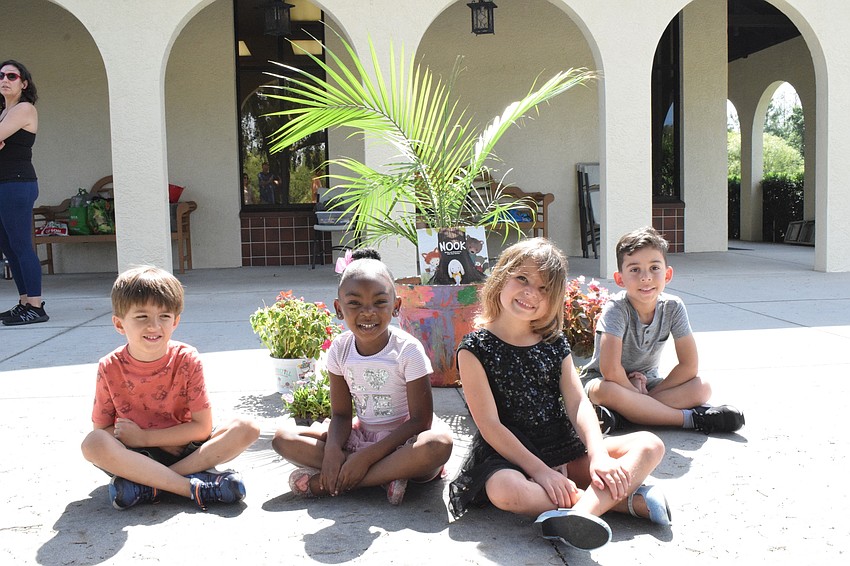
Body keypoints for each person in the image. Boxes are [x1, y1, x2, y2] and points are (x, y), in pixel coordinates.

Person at [449, 237, 670, 551]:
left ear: (553, 299)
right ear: (500, 278)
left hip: (563, 446)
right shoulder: (475, 349)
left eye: (543, 288)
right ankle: (625, 502)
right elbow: (490, 425)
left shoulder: (552, 341)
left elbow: (578, 402)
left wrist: (598, 455)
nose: (530, 293)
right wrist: (540, 472)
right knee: (507, 492)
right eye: (522, 279)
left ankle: (578, 515)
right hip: (510, 456)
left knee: (650, 444)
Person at [272, 248, 453, 505]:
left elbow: (420, 422)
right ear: (338, 308)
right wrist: (334, 451)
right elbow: (342, 415)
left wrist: (364, 459)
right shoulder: (340, 348)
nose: (368, 312)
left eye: (380, 302)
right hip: (360, 436)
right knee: (283, 439)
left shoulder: (407, 350)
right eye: (355, 303)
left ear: (396, 306)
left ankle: (335, 482)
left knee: (438, 445)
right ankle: (386, 477)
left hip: (404, 441)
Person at [80, 266, 260, 510]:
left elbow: (202, 427)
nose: (154, 326)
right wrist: (141, 441)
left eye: (164, 316)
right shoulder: (109, 366)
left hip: (186, 450)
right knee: (93, 444)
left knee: (247, 428)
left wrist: (149, 437)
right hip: (137, 455)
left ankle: (149, 485)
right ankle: (190, 487)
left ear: (175, 321)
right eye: (141, 317)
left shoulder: (187, 359)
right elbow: (102, 429)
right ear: (119, 324)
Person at [581, 226, 745, 434]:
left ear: (667, 274)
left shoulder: (673, 307)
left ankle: (626, 416)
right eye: (634, 269)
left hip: (648, 383)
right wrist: (632, 390)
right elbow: (610, 370)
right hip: (607, 382)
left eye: (654, 268)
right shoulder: (616, 309)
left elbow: (689, 366)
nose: (645, 277)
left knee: (702, 386)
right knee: (606, 391)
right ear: (620, 279)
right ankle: (691, 419)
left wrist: (644, 396)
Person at [0, 60, 48, 326]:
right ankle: (24, 302)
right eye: (1, 76)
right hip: (3, 184)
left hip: (17, 184)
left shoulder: (24, 109)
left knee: (20, 245)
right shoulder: (3, 113)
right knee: (8, 247)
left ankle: (37, 306)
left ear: (23, 83)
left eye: (11, 75)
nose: (4, 79)